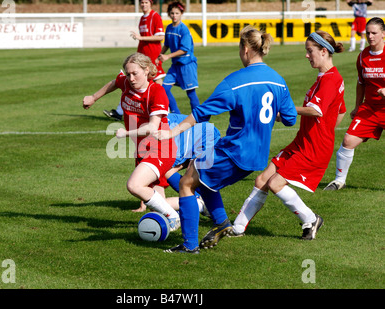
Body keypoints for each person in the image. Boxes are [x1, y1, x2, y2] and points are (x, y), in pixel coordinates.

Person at [154, 25, 297, 253]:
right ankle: (221, 223)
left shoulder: (236, 81)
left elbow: (202, 112)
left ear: (245, 49)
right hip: (258, 155)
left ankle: (189, 245)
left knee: (185, 183)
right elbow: (289, 118)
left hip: (236, 150)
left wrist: (173, 131)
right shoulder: (278, 79)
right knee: (201, 171)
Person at [233, 31, 346, 240]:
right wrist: (325, 130)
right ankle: (237, 228)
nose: (306, 55)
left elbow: (316, 110)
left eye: (309, 51)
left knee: (275, 183)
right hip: (303, 142)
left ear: (323, 51)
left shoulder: (330, 79)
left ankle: (310, 219)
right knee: (262, 179)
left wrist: (285, 110)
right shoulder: (326, 78)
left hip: (313, 147)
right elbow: (340, 111)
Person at [83, 53, 180, 231]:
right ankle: (197, 204)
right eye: (128, 74)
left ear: (147, 70)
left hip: (161, 148)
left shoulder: (156, 92)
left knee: (134, 185)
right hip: (142, 148)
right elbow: (114, 82)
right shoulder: (127, 82)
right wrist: (94, 97)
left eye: (135, 73)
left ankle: (174, 216)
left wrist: (126, 132)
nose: (131, 78)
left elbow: (152, 127)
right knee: (156, 205)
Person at [325, 17, 385, 191]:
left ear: (383, 34)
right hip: (370, 109)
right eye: (368, 33)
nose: (370, 36)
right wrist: (358, 106)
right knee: (348, 140)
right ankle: (339, 181)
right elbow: (361, 83)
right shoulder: (362, 56)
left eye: (374, 33)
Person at [132, 113, 221, 216]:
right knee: (166, 175)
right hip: (193, 136)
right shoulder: (147, 136)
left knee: (190, 176)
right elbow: (149, 175)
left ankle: (199, 203)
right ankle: (199, 202)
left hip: (204, 137)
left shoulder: (166, 136)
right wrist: (144, 202)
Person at [103, 0, 166, 121]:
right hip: (142, 56)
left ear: (151, 3)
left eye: (146, 2)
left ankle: (165, 111)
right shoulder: (143, 18)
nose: (143, 5)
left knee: (157, 84)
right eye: (142, 2)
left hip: (152, 55)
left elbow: (161, 37)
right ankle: (120, 111)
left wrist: (141, 37)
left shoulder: (155, 16)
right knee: (136, 85)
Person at [156, 1, 200, 114]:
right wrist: (158, 56)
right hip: (175, 66)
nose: (174, 15)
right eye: (172, 13)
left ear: (181, 13)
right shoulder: (169, 28)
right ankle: (176, 114)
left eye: (177, 13)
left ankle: (199, 119)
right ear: (169, 14)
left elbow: (184, 49)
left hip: (187, 65)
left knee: (191, 93)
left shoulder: (184, 30)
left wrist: (167, 56)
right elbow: (166, 44)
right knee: (164, 89)